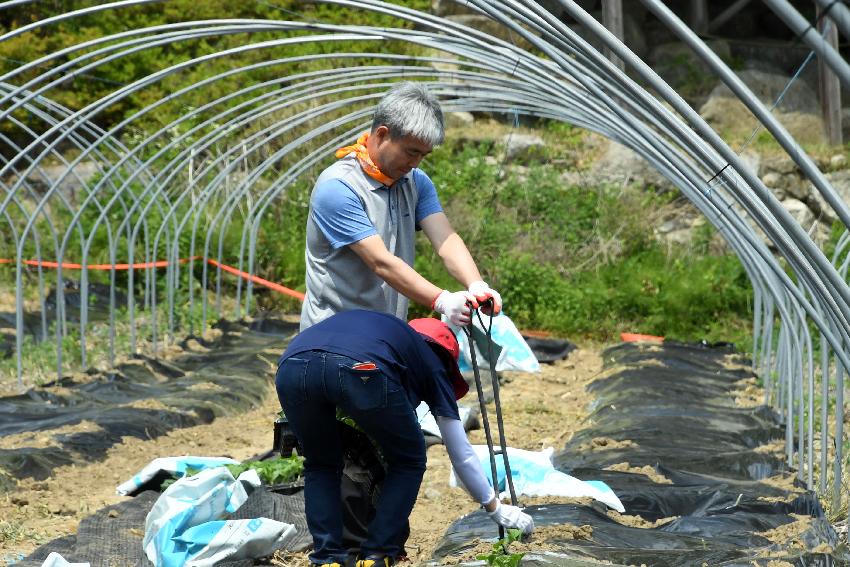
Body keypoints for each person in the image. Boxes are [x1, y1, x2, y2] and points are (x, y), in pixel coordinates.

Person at [276, 310, 534, 567]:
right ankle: (377, 554)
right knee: (408, 460)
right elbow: (460, 452)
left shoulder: (386, 334)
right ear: (446, 361)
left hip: (292, 365)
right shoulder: (433, 362)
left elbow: (329, 369)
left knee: (321, 463)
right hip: (362, 369)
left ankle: (326, 559)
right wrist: (495, 507)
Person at [300, 81, 501, 331]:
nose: (415, 163)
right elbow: (381, 262)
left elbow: (446, 240)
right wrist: (442, 300)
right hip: (332, 339)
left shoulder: (415, 183)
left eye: (423, 155)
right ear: (382, 134)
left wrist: (477, 284)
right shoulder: (339, 187)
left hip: (385, 335)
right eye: (410, 152)